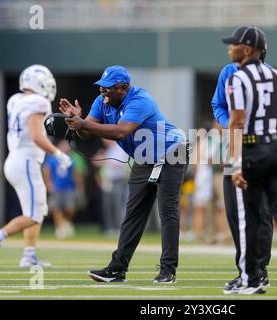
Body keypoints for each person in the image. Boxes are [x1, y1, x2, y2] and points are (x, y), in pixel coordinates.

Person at [59, 65, 188, 283]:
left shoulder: (140, 100)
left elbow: (121, 131)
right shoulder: (102, 102)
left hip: (171, 152)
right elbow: (86, 132)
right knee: (133, 213)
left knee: (167, 211)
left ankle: (168, 270)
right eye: (102, 87)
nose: (103, 92)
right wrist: (77, 122)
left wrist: (83, 125)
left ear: (124, 88)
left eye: (109, 88)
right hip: (144, 156)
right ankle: (117, 269)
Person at [212, 25, 277, 290]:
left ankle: (250, 279)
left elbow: (237, 122)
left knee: (248, 217)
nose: (229, 48)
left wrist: (235, 162)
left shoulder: (237, 78)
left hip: (252, 150)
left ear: (247, 50)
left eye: (233, 44)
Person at [0, 64, 72, 267]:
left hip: (15, 160)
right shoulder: (37, 102)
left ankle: (29, 255)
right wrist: (57, 153)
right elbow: (37, 136)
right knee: (35, 213)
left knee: (34, 210)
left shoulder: (16, 100)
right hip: (26, 162)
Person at [43, 140, 84, 239]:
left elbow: (76, 174)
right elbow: (46, 170)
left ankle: (67, 223)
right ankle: (59, 228)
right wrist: (48, 183)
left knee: (70, 208)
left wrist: (79, 188)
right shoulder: (52, 159)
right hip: (57, 187)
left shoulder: (71, 159)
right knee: (57, 208)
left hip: (69, 187)